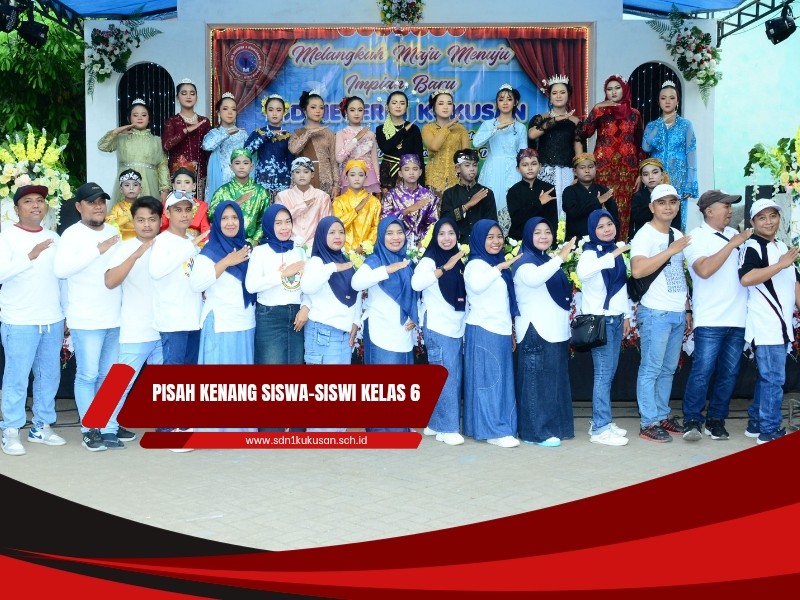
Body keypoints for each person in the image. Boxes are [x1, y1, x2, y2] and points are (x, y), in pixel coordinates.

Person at [52, 182, 122, 452]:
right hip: (86, 318)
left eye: (101, 201)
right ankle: (90, 428)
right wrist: (98, 250)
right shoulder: (71, 235)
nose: (98, 206)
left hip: (115, 316)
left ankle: (106, 426)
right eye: (92, 202)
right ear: (79, 206)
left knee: (109, 376)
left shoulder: (114, 231)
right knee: (88, 374)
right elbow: (61, 270)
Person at [0, 185, 67, 456]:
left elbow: (62, 280)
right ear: (17, 209)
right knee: (16, 378)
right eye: (28, 201)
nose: (36, 205)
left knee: (49, 376)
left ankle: (41, 426)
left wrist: (65, 314)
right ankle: (10, 430)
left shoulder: (54, 237)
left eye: (40, 200)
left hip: (52, 318)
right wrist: (30, 256)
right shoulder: (6, 237)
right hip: (19, 319)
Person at [681, 191, 751, 442]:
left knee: (729, 373)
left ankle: (716, 421)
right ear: (709, 211)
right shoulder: (695, 238)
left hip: (738, 317)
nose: (730, 210)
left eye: (731, 206)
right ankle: (692, 420)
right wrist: (732, 244)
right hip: (710, 318)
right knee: (703, 371)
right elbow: (704, 269)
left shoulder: (735, 234)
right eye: (726, 206)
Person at [630, 183, 692, 442]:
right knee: (651, 369)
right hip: (655, 312)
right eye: (662, 202)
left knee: (668, 369)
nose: (668, 207)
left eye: (673, 202)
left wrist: (687, 308)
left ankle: (662, 414)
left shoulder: (677, 233)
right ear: (651, 207)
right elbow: (637, 270)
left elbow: (680, 272)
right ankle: (648, 421)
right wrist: (670, 250)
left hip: (676, 312)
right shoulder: (644, 234)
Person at [104, 195, 165, 446]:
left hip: (166, 327)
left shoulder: (171, 245)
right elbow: (110, 281)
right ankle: (105, 427)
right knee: (121, 380)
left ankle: (166, 426)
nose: (147, 225)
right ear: (133, 221)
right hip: (136, 327)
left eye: (152, 219)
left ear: (161, 220)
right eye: (141, 220)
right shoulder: (125, 247)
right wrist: (136, 255)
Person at [738, 198, 800, 444]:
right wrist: (780, 264)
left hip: (781, 326)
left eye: (773, 216)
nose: (768, 221)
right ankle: (769, 430)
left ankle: (756, 423)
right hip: (765, 323)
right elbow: (746, 278)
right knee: (774, 379)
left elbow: (794, 283)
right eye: (762, 217)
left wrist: (784, 263)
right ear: (752, 222)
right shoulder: (752, 246)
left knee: (769, 378)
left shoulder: (781, 246)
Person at [513, 217, 576, 447]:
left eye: (547, 232)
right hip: (536, 331)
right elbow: (534, 279)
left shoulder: (546, 259)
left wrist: (556, 259)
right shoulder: (524, 261)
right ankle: (535, 433)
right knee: (536, 384)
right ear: (528, 235)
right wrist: (560, 257)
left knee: (554, 383)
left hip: (555, 332)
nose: (543, 236)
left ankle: (556, 428)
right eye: (537, 232)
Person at [351, 217, 416, 433]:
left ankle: (400, 428)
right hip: (381, 328)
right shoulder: (375, 260)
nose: (395, 237)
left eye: (399, 232)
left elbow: (415, 293)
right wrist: (387, 270)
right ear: (381, 236)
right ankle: (381, 432)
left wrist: (415, 315)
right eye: (389, 233)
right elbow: (356, 283)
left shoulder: (407, 261)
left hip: (403, 330)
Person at [463, 219, 521, 448]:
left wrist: (511, 331)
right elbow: (476, 286)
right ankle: (493, 430)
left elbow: (505, 302)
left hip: (500, 329)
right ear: (479, 239)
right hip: (484, 328)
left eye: (499, 236)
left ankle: (496, 426)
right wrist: (499, 269)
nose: (496, 241)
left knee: (500, 382)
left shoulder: (496, 263)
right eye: (490, 237)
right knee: (490, 382)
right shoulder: (476, 264)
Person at [300, 216, 361, 432]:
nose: (338, 236)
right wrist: (332, 267)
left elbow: (355, 294)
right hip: (323, 334)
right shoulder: (318, 262)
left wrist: (356, 321)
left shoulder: (345, 259)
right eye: (332, 232)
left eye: (341, 232)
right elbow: (307, 286)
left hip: (343, 336)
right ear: (322, 235)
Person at [577, 209, 631, 447]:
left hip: (616, 318)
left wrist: (626, 316)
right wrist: (613, 255)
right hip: (601, 321)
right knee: (603, 374)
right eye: (600, 226)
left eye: (609, 224)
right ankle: (600, 428)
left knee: (609, 374)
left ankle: (601, 421)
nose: (607, 229)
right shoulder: (590, 252)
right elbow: (583, 273)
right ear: (592, 230)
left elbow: (621, 287)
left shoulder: (612, 251)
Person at [411, 218, 467, 445]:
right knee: (447, 377)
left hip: (455, 326)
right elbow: (416, 284)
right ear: (435, 237)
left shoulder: (459, 259)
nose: (446, 238)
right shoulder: (429, 260)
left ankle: (435, 423)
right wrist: (444, 269)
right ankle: (447, 428)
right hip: (437, 325)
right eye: (442, 233)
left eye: (451, 233)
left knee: (450, 376)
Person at [581, 75, 644, 241]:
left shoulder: (634, 114)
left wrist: (640, 173)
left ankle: (621, 246)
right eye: (609, 89)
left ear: (624, 89)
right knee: (602, 206)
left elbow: (640, 145)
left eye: (617, 88)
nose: (613, 92)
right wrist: (595, 109)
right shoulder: (601, 111)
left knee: (623, 210)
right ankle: (599, 245)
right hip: (603, 168)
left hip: (627, 171)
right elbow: (585, 132)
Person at [245, 204, 309, 367]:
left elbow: (308, 285)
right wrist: (281, 275)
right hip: (270, 317)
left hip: (297, 317)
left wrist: (306, 307)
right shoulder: (260, 252)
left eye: (287, 222)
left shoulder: (298, 251)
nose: (284, 227)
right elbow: (251, 285)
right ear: (269, 225)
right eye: (278, 223)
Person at [642, 81, 698, 231]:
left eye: (672, 98)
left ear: (677, 101)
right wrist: (660, 124)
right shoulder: (652, 125)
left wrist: (690, 182)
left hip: (679, 177)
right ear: (658, 101)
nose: (667, 101)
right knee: (657, 213)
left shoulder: (686, 125)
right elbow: (646, 146)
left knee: (677, 217)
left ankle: (677, 244)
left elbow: (691, 153)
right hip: (656, 177)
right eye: (663, 98)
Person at [472, 84, 527, 232]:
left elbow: (523, 154)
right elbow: (476, 142)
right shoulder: (488, 124)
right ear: (496, 103)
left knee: (511, 203)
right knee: (491, 202)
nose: (505, 102)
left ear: (515, 102)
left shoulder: (520, 127)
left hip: (512, 170)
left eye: (509, 99)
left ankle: (511, 240)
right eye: (501, 99)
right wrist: (495, 129)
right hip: (493, 168)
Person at [527, 75, 584, 217]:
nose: (558, 96)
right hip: (545, 171)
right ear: (550, 96)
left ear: (568, 95)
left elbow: (578, 149)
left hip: (567, 172)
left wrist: (579, 173)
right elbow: (532, 134)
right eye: (554, 93)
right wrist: (556, 119)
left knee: (567, 208)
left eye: (562, 92)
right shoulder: (541, 118)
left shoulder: (575, 121)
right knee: (546, 209)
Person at [97, 99, 170, 205]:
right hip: (126, 183)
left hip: (149, 184)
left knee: (147, 212)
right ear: (129, 118)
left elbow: (162, 165)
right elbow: (102, 146)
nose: (140, 118)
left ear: (149, 118)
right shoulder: (121, 138)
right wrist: (117, 131)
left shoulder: (157, 141)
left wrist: (165, 190)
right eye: (135, 115)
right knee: (124, 213)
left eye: (144, 115)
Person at [209, 148, 270, 246]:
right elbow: (211, 216)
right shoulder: (222, 191)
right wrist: (234, 204)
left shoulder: (260, 192)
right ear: (231, 167)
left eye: (245, 163)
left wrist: (255, 241)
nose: (241, 166)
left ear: (251, 166)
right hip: (226, 242)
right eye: (237, 163)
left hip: (252, 244)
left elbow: (265, 220)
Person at [162, 78, 212, 191]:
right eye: (184, 93)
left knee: (199, 202)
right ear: (177, 97)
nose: (188, 96)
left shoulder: (204, 121)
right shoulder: (172, 121)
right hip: (178, 175)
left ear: (196, 98)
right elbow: (166, 145)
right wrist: (185, 131)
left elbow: (209, 151)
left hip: (200, 174)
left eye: (192, 93)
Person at [439, 149, 498, 244]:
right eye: (467, 165)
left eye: (475, 165)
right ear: (458, 168)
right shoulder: (449, 194)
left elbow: (492, 223)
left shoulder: (486, 193)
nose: (472, 169)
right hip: (456, 244)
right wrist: (467, 206)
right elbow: (444, 221)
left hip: (481, 244)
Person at [288, 90, 339, 198]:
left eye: (321, 107)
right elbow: (293, 150)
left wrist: (336, 185)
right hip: (303, 181)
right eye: (313, 107)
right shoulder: (298, 133)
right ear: (305, 110)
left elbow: (334, 162)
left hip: (325, 182)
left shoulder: (329, 134)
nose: (318, 111)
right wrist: (308, 134)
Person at [381, 154, 438, 247]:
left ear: (420, 172)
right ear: (400, 173)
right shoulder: (391, 196)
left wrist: (424, 243)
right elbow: (384, 222)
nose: (411, 172)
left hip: (423, 246)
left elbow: (433, 223)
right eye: (406, 169)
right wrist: (407, 210)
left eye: (415, 169)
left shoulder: (429, 196)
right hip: (396, 244)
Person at [421, 91, 470, 198]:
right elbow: (434, 147)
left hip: (456, 180)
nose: (446, 107)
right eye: (441, 103)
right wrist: (447, 127)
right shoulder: (427, 129)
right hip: (433, 181)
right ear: (433, 107)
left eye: (449, 103)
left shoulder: (460, 129)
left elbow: (467, 157)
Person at [275, 157, 332, 249]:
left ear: (312, 174)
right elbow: (280, 221)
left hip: (315, 245)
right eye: (297, 172)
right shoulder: (282, 196)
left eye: (306, 172)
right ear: (292, 174)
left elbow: (325, 225)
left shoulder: (322, 196)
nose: (302, 175)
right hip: (288, 244)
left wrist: (314, 245)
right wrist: (303, 206)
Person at [202, 92, 248, 202]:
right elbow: (206, 146)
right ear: (218, 112)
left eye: (233, 109)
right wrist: (226, 133)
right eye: (225, 109)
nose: (230, 112)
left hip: (238, 179)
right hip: (220, 179)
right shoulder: (214, 133)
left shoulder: (243, 134)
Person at [375, 90, 424, 193]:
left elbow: (419, 158)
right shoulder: (380, 129)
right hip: (388, 175)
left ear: (406, 107)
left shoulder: (414, 129)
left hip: (409, 175)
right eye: (394, 103)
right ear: (387, 107)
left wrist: (422, 186)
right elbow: (386, 148)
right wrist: (404, 130)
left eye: (402, 103)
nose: (398, 106)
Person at [244, 93, 293, 196]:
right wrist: (266, 135)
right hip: (262, 182)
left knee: (281, 206)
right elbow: (246, 152)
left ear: (284, 112)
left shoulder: (288, 136)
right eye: (271, 110)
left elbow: (291, 162)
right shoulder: (258, 133)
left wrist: (293, 181)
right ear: (265, 112)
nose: (274, 113)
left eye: (278, 110)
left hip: (283, 182)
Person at [562, 153, 619, 241]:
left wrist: (613, 240)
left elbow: (614, 217)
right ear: (575, 171)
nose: (587, 170)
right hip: (576, 241)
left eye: (590, 167)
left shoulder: (603, 190)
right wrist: (597, 201)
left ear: (596, 169)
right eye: (582, 168)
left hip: (602, 241)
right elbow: (573, 212)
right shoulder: (569, 191)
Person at [506, 148, 557, 242]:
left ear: (540, 166)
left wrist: (552, 243)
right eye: (525, 165)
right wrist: (539, 202)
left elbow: (552, 220)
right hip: (519, 240)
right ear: (518, 169)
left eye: (534, 164)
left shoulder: (548, 189)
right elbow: (517, 219)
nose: (530, 168)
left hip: (543, 240)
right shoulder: (513, 191)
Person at [335, 96, 381, 196]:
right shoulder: (341, 134)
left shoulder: (370, 134)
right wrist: (356, 138)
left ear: (364, 112)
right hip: (349, 177)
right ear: (346, 112)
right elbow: (339, 158)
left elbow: (374, 161)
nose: (356, 113)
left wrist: (377, 180)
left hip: (369, 178)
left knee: (368, 204)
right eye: (352, 110)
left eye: (360, 110)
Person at [332, 159, 381, 253]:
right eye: (352, 175)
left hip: (367, 251)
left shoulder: (374, 202)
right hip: (343, 250)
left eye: (361, 175)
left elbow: (376, 227)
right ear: (346, 178)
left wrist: (365, 246)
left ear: (366, 178)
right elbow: (337, 226)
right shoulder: (338, 202)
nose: (357, 178)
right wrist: (356, 210)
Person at [161, 165, 211, 242]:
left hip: (196, 243)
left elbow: (206, 231)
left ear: (194, 186)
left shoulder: (202, 206)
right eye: (178, 182)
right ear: (173, 186)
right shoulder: (167, 204)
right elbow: (163, 227)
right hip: (172, 242)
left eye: (187, 182)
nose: (182, 185)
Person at [629, 158, 671, 240]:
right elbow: (637, 218)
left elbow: (675, 221)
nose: (651, 177)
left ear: (662, 175)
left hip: (666, 238)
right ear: (642, 179)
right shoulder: (638, 196)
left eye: (655, 172)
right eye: (646, 174)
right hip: (644, 238)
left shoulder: (670, 195)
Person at [105, 169, 142, 241]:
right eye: (127, 185)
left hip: (142, 241)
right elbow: (108, 225)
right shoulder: (117, 208)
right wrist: (126, 217)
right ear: (121, 189)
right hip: (122, 242)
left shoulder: (145, 206)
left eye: (135, 185)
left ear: (140, 189)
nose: (131, 188)